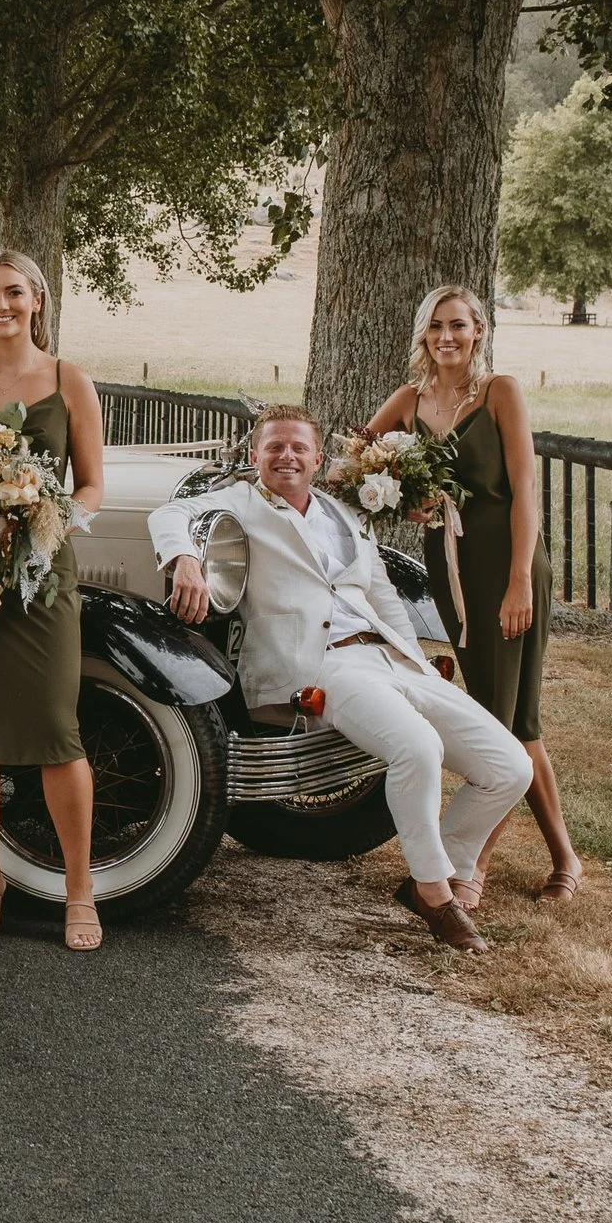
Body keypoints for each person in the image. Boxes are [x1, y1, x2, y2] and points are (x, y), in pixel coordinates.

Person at [150, 404, 535, 953]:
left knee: (508, 766)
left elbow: (380, 595)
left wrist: (423, 670)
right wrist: (185, 557)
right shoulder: (239, 502)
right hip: (320, 663)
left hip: (388, 655)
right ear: (256, 455)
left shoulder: (343, 514)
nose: (286, 456)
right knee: (417, 748)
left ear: (317, 458)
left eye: (298, 448)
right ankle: (434, 894)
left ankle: (442, 867)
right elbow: (168, 516)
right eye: (274, 447)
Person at [365, 284, 580, 907]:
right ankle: (564, 858)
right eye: (436, 327)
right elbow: (355, 466)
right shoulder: (410, 401)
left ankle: (474, 865)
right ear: (423, 335)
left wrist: (519, 581)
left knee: (504, 721)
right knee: (509, 720)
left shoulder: (500, 393)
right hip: (448, 567)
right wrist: (408, 500)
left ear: (479, 331)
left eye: (458, 325)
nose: (446, 338)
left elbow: (526, 492)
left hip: (506, 564)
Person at [0, 252, 108, 951]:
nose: (1, 304)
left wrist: (46, 511)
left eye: (14, 292)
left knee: (56, 733)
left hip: (43, 575)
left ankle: (79, 889)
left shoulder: (70, 381)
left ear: (37, 298)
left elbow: (91, 482)